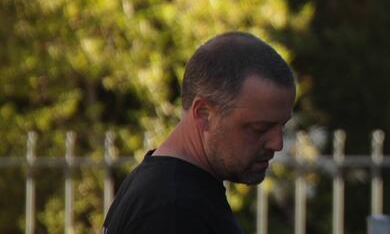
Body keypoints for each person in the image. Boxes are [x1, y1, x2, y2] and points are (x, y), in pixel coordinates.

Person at [104, 32, 297, 234]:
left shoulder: (168, 191)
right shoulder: (174, 209)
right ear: (204, 113)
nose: (277, 143)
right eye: (260, 128)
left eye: (282, 126)